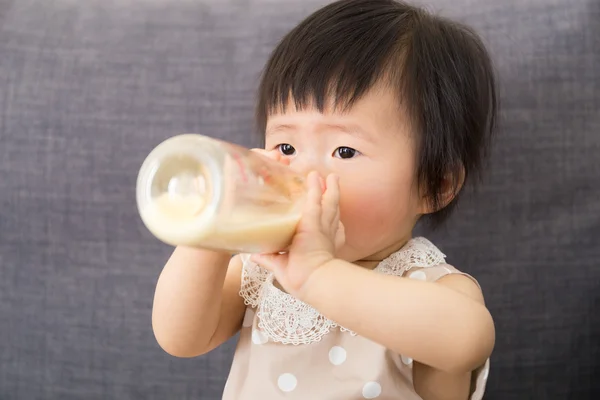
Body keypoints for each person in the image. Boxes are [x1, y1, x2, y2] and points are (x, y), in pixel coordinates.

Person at [152, 0, 498, 398]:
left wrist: (318, 275)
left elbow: (466, 341)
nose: (301, 174)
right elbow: (180, 338)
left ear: (433, 185)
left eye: (344, 152)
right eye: (285, 145)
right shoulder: (261, 270)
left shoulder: (431, 287)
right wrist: (208, 234)